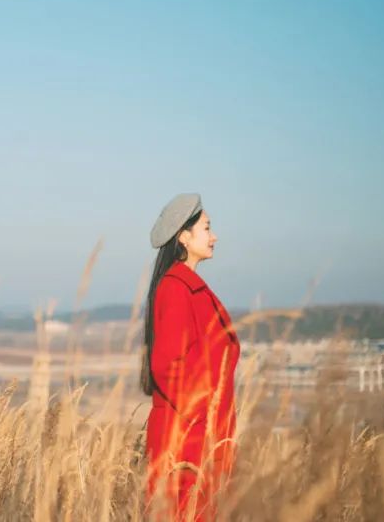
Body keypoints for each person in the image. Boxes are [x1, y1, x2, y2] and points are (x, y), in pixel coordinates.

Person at [141, 193, 240, 522]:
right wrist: (206, 416)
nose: (214, 236)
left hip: (197, 438)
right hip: (186, 441)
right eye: (207, 228)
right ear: (184, 236)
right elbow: (167, 365)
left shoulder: (189, 287)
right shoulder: (177, 288)